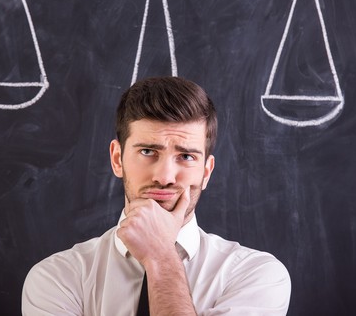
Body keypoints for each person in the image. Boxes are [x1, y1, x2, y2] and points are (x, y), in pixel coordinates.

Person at [22, 76, 291, 315]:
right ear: (117, 159)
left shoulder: (256, 275)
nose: (165, 176)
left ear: (206, 173)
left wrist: (161, 256)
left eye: (186, 156)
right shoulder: (57, 278)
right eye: (148, 152)